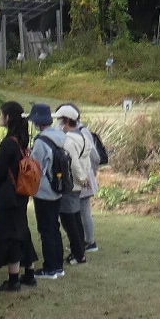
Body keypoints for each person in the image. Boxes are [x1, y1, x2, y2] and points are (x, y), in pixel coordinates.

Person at [0, 100, 38, 292]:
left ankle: (14, 278)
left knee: (9, 234)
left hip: (9, 194)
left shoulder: (8, 143)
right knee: (22, 230)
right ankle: (29, 273)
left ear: (8, 117)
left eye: (1, 114)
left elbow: (0, 171)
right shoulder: (23, 140)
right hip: (22, 191)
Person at [58, 105, 110, 256]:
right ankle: (84, 241)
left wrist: (88, 174)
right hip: (84, 176)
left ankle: (89, 241)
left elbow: (94, 156)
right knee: (80, 211)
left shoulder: (81, 132)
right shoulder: (77, 131)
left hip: (83, 177)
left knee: (83, 211)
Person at [26, 99, 68, 279]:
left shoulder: (41, 141)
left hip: (44, 189)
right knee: (54, 227)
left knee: (46, 230)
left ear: (36, 122)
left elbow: (35, 167)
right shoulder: (60, 136)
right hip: (58, 186)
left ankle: (50, 267)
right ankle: (58, 265)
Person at [52, 105, 96, 269]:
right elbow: (86, 161)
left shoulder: (69, 139)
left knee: (69, 221)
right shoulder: (83, 136)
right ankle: (79, 252)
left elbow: (74, 163)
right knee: (75, 219)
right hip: (79, 184)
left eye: (60, 120)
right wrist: (84, 178)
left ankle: (79, 254)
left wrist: (81, 178)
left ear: (65, 121)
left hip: (71, 185)